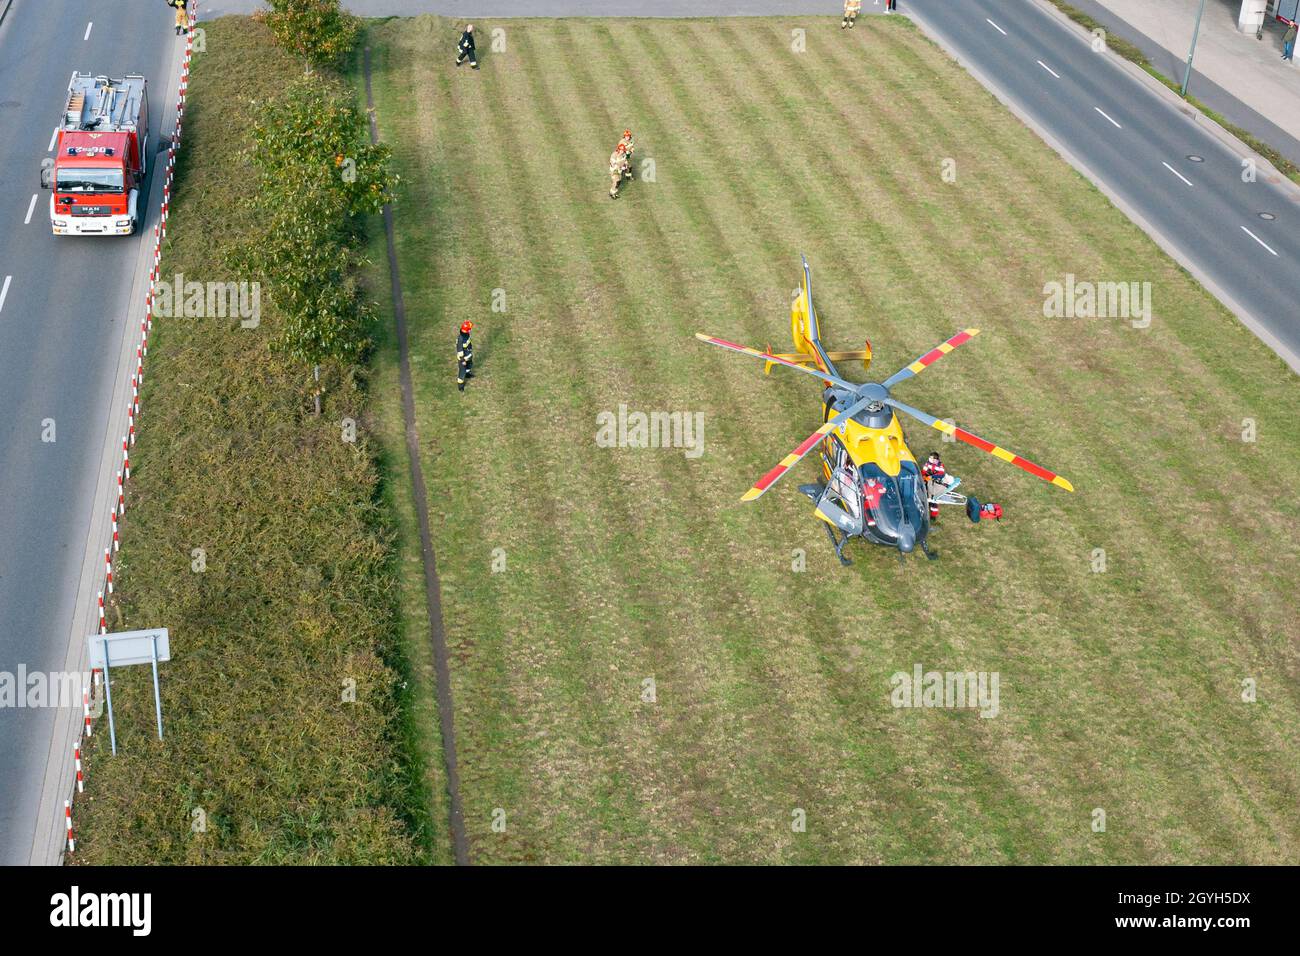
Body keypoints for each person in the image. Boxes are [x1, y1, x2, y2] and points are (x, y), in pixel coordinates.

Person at [457, 321, 475, 391]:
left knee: (469, 365)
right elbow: (460, 351)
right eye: (469, 328)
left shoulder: (466, 334)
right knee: (462, 371)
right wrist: (462, 360)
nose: (470, 329)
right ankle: (460, 386)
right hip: (463, 359)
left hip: (468, 355)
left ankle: (468, 374)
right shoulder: (460, 339)